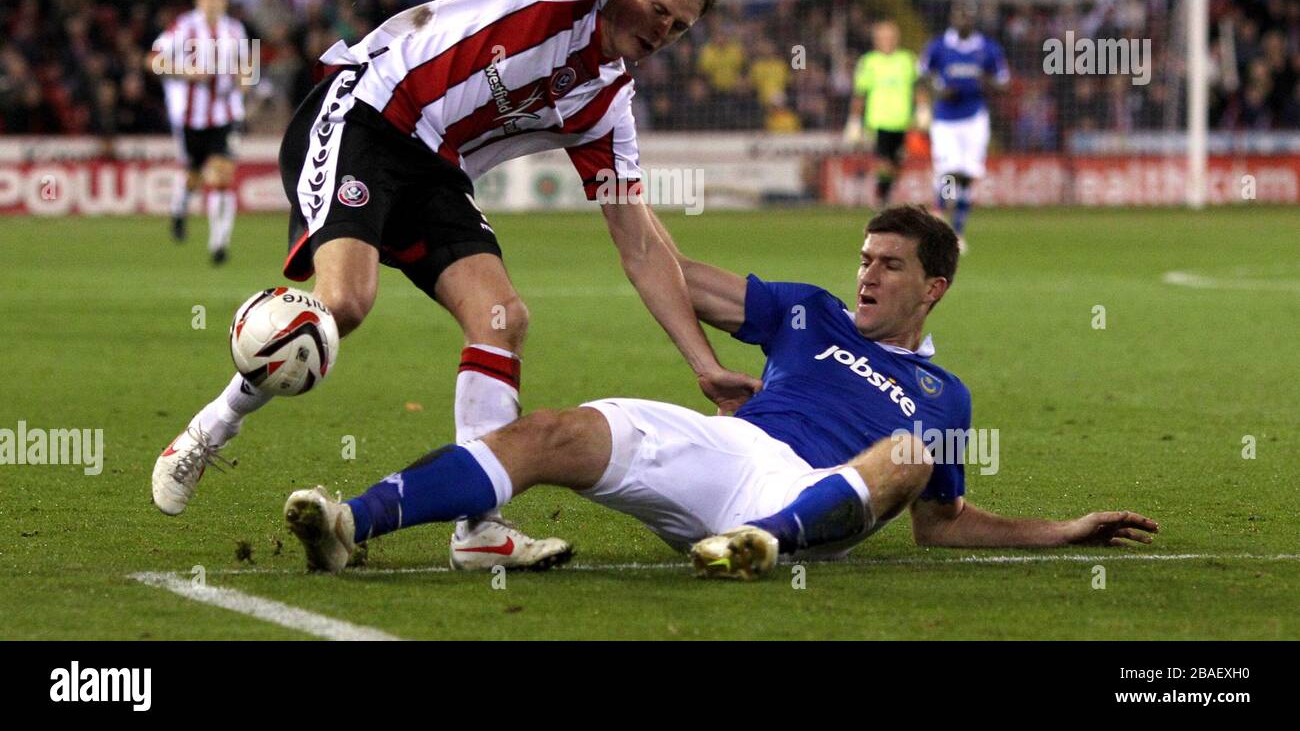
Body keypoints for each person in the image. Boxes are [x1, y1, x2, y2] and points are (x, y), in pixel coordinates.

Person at [151, 0, 762, 572]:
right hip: (368, 115)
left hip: (436, 169)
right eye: (660, 10)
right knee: (343, 303)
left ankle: (479, 527)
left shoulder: (608, 109)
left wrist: (703, 365)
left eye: (680, 29)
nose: (664, 32)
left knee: (504, 316)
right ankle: (207, 432)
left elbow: (640, 247)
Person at [282, 205, 1159, 579]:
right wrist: (627, 197)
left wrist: (1061, 530)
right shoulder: (807, 313)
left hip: (808, 500)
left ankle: (756, 545)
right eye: (863, 258)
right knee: (553, 431)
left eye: (888, 266)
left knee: (907, 455)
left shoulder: (942, 392)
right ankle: (354, 523)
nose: (865, 276)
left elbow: (941, 521)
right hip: (728, 451)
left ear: (933, 289)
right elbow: (681, 277)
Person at [148, 0, 248, 264]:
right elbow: (153, 61)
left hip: (226, 116)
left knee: (221, 175)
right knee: (193, 176)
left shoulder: (235, 30)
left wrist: (243, 88)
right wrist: (186, 72)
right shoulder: (182, 28)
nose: (215, 2)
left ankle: (219, 243)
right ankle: (179, 210)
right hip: (190, 118)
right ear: (198, 1)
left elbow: (246, 66)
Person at [918, 4, 1010, 249]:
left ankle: (958, 230)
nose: (963, 20)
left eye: (967, 15)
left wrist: (984, 80)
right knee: (948, 172)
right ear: (951, 18)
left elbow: (1004, 82)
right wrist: (938, 90)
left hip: (974, 118)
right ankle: (941, 216)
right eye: (959, 15)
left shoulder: (988, 48)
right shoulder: (938, 46)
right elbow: (922, 76)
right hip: (945, 119)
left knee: (968, 175)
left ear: (974, 20)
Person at [843, 20, 920, 206]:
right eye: (883, 37)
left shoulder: (907, 59)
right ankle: (882, 197)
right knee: (883, 161)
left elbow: (919, 87)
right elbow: (860, 93)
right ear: (876, 40)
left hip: (902, 121)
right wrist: (854, 121)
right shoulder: (868, 62)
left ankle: (884, 192)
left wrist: (923, 110)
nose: (887, 41)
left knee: (896, 164)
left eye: (890, 37)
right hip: (878, 120)